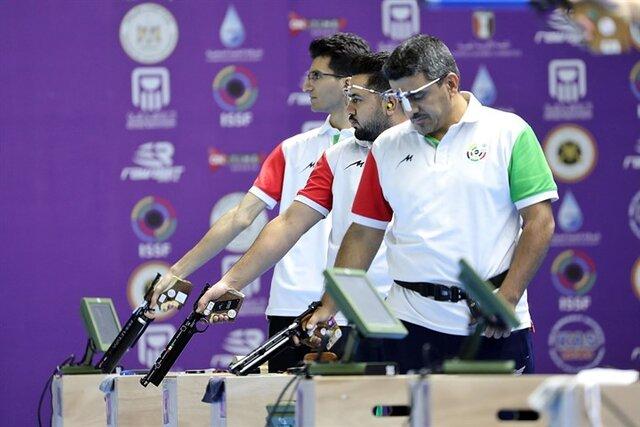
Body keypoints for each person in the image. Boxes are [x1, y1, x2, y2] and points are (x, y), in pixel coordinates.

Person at [306, 35, 558, 374]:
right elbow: (364, 232)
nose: (410, 109)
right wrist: (329, 305)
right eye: (400, 97)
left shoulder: (509, 133)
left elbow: (540, 222)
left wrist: (508, 297)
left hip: (490, 322)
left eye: (418, 95)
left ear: (451, 84)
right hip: (409, 323)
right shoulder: (386, 146)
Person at [149, 33, 371, 373]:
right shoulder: (292, 150)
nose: (306, 85)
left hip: (359, 306)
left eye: (316, 75)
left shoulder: (385, 148)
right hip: (292, 309)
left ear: (347, 83)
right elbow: (241, 216)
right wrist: (178, 271)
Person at [198, 51, 408, 366]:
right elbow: (289, 224)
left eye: (357, 100)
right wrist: (230, 283)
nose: (348, 109)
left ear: (389, 101)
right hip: (347, 316)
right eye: (348, 98)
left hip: (412, 314)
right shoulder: (336, 156)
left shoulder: (424, 149)